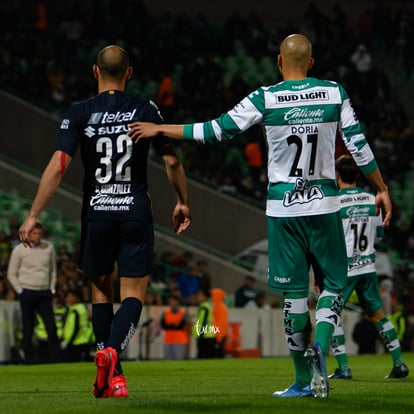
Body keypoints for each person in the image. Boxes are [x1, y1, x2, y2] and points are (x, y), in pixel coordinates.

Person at [128, 33, 392, 398]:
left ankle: (302, 380)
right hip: (325, 205)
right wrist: (381, 187)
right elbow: (359, 146)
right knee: (333, 284)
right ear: (311, 63)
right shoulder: (334, 92)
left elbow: (214, 131)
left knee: (294, 296)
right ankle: (321, 345)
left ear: (280, 63)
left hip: (283, 211)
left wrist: (161, 128)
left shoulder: (265, 97)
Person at [18, 45, 191, 398]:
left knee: (100, 291)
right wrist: (182, 202)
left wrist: (34, 213)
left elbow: (58, 165)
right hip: (135, 213)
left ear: (94, 72)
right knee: (133, 295)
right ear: (129, 73)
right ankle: (112, 357)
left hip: (96, 212)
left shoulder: (79, 112)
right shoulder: (145, 109)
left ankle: (114, 374)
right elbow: (172, 163)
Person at [329, 155, 408, 379]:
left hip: (343, 270)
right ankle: (399, 363)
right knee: (378, 315)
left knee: (331, 315)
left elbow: (328, 241)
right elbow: (379, 236)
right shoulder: (372, 199)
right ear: (358, 175)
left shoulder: (334, 202)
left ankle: (344, 368)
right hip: (367, 267)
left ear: (337, 175)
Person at [7, 222, 60, 364]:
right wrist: (20, 291)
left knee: (51, 326)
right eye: (34, 233)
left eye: (39, 234)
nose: (37, 237)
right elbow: (11, 273)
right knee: (28, 327)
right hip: (27, 292)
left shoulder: (48, 247)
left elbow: (53, 270)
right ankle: (28, 359)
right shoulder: (19, 249)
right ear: (28, 233)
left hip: (44, 292)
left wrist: (52, 289)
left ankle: (55, 359)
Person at [61, 289, 94, 362]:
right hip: (84, 339)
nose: (67, 299)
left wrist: (68, 342)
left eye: (69, 296)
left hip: (76, 341)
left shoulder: (75, 310)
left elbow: (75, 327)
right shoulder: (82, 307)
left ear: (76, 297)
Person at [160, 293, 189, 360]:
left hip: (179, 340)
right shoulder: (165, 313)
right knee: (168, 358)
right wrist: (174, 325)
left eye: (172, 301)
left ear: (177, 302)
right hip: (168, 340)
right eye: (170, 301)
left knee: (179, 358)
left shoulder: (182, 313)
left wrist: (170, 325)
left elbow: (182, 325)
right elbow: (163, 326)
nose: (171, 302)